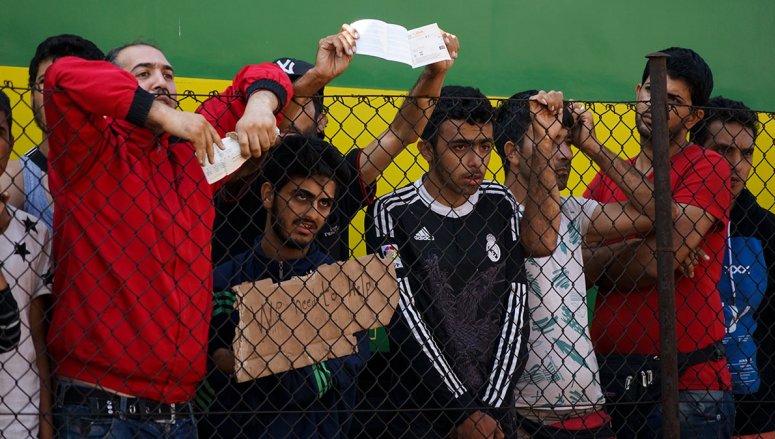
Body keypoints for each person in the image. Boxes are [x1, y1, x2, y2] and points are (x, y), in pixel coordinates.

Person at [42, 42, 292, 438]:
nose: (161, 81)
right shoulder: (89, 151)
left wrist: (260, 105)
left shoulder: (190, 158)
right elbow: (63, 76)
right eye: (143, 74)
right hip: (102, 409)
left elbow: (261, 73)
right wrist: (160, 114)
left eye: (168, 74)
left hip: (180, 411)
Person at [363, 85, 562, 438]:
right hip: (422, 415)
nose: (476, 161)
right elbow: (405, 317)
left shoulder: (498, 203)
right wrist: (462, 413)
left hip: (495, 414)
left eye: (485, 146)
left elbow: (515, 308)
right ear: (426, 150)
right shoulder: (392, 212)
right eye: (460, 146)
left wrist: (490, 409)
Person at [495, 90, 668, 438]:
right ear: (512, 153)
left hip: (592, 414)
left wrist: (592, 146)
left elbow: (657, 212)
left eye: (565, 142)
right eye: (548, 140)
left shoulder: (572, 210)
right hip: (524, 416)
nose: (564, 154)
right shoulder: (489, 213)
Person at [211, 24, 459, 265]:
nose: (281, 106)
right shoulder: (239, 167)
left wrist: (434, 74)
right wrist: (317, 77)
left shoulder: (338, 175)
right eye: (278, 98)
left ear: (322, 120)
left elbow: (400, 133)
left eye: (301, 97)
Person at [583, 47, 734, 438]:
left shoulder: (708, 166)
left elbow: (656, 265)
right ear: (637, 91)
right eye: (651, 92)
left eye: (673, 101)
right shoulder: (602, 183)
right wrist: (654, 245)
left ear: (695, 115)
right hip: (610, 382)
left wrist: (610, 261)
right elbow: (576, 272)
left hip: (691, 386)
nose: (655, 106)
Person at [207, 135, 368, 438]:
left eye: (324, 203)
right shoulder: (225, 280)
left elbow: (305, 387)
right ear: (269, 194)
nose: (312, 215)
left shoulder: (345, 292)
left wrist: (248, 358)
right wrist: (300, 349)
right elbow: (216, 369)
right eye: (301, 197)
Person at [692, 96, 775, 439]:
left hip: (757, 411)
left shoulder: (770, 232)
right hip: (682, 401)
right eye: (724, 149)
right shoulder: (668, 225)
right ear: (697, 151)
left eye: (745, 153)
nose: (736, 165)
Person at [0, 34, 104, 230]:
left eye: (75, 81)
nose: (60, 94)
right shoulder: (17, 176)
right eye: (45, 82)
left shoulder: (124, 168)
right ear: (31, 97)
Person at [0, 89, 54, 438]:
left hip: (20, 414)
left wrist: (46, 422)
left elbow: (34, 335)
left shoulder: (36, 233)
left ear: (11, 142)